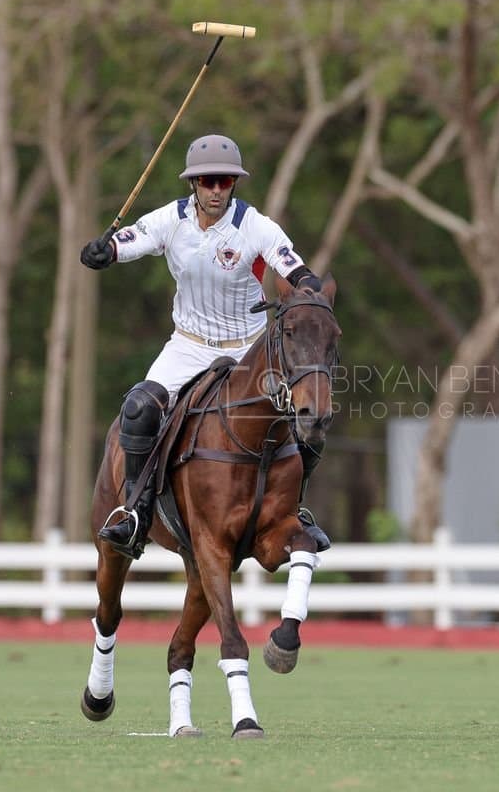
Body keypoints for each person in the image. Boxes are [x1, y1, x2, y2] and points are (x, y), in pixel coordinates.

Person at [79, 134, 331, 560]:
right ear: (193, 184)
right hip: (188, 346)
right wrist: (106, 250)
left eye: (225, 182)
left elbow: (291, 262)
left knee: (306, 417)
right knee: (138, 410)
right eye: (208, 181)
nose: (216, 190)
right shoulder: (170, 220)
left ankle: (295, 507)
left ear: (235, 184)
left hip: (248, 352)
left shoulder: (255, 226)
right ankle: (136, 513)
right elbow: (133, 240)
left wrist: (307, 283)